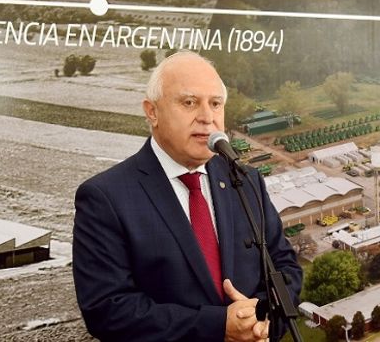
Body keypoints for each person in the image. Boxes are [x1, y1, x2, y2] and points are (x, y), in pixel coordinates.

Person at [73, 51, 302, 342]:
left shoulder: (245, 181)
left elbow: (285, 267)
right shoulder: (105, 197)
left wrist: (260, 322)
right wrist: (218, 326)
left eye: (215, 104)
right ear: (152, 111)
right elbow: (108, 310)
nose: (207, 117)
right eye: (189, 102)